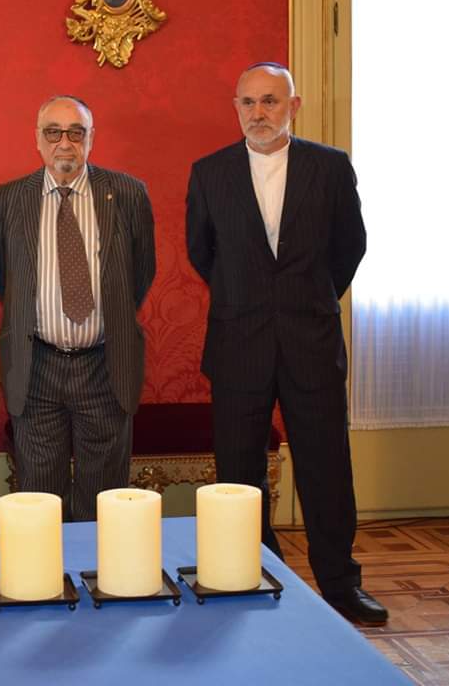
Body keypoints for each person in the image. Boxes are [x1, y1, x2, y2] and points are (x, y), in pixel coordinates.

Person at [185, 62, 385, 625]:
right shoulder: (210, 172)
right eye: (248, 102)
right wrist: (248, 297)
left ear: (293, 106)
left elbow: (350, 247)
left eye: (270, 101)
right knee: (238, 470)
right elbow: (203, 252)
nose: (259, 113)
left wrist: (307, 297)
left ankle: (340, 585)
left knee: (326, 466)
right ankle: (249, 572)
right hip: (238, 342)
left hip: (311, 340)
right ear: (236, 108)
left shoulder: (330, 167)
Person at [0, 95, 156, 521]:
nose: (64, 143)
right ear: (37, 139)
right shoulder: (7, 200)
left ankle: (97, 565)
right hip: (36, 366)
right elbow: (7, 281)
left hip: (105, 364)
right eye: (53, 132)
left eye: (76, 132)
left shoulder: (127, 193)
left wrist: (104, 320)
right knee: (39, 499)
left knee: (102, 500)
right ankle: (43, 568)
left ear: (91, 138)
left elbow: (140, 274)